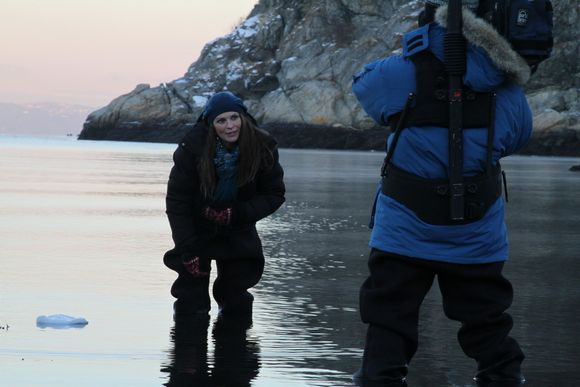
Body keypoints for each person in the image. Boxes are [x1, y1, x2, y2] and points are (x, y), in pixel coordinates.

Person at [351, 0, 532, 386]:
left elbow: (364, 88)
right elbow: (517, 137)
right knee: (486, 316)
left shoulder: (402, 72)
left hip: (405, 224)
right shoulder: (506, 85)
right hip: (476, 226)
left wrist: (410, 52)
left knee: (389, 314)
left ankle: (380, 377)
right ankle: (503, 376)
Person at [163, 91, 285, 320]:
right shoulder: (191, 149)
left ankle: (235, 353)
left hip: (239, 230)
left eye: (234, 118)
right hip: (196, 231)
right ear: (211, 125)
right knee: (191, 304)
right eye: (221, 120)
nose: (230, 126)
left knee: (236, 302)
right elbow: (177, 202)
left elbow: (275, 194)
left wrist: (238, 214)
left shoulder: (263, 146)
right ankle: (186, 351)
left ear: (243, 118)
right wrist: (187, 249)